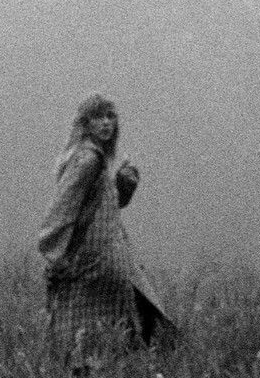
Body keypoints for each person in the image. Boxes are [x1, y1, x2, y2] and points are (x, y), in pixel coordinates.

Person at [38, 94, 174, 350]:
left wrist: (124, 184)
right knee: (116, 318)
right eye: (98, 117)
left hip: (105, 257)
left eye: (111, 117)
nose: (106, 123)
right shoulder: (88, 160)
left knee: (109, 318)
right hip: (93, 261)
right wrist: (55, 253)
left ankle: (121, 366)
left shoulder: (95, 159)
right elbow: (63, 208)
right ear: (85, 123)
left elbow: (103, 207)